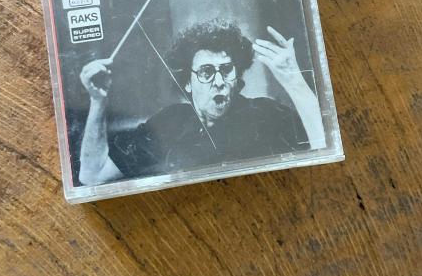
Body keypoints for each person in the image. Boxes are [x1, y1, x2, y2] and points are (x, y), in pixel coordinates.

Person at [78, 20, 325, 185]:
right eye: (206, 72)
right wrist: (98, 101)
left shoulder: (265, 113)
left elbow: (323, 149)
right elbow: (93, 175)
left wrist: (294, 81)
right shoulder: (170, 122)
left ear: (237, 74)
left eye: (226, 70)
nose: (219, 82)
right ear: (187, 82)